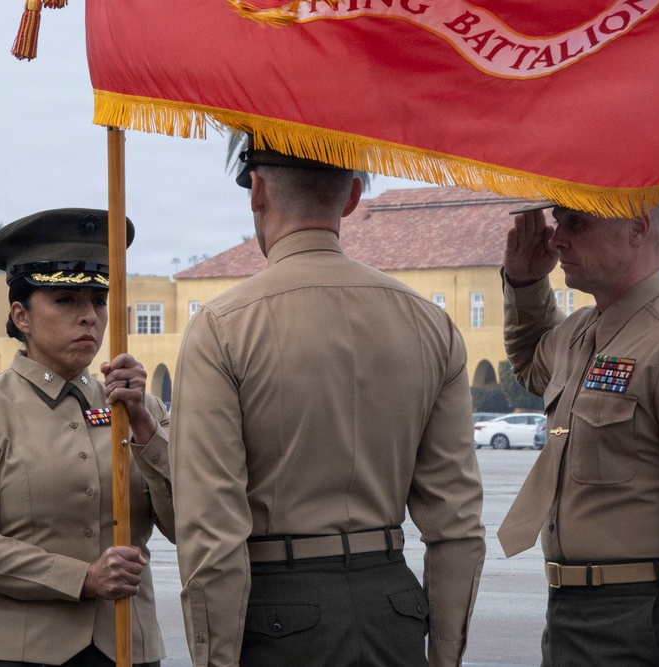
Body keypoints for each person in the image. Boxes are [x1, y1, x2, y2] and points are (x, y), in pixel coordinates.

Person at [168, 143, 486, 667]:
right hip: (394, 609)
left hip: (279, 618)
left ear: (259, 191)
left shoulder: (223, 327)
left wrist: (214, 659)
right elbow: (456, 522)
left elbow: (212, 532)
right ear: (353, 198)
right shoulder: (431, 325)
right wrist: (446, 654)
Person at [496, 201, 659, 666]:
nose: (557, 239)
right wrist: (526, 282)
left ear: (637, 228)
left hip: (644, 620)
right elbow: (531, 362)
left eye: (577, 223)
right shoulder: (580, 335)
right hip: (571, 616)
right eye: (558, 223)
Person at [0, 208, 174, 667]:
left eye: (98, 302)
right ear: (21, 315)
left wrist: (144, 426)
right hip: (17, 653)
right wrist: (81, 578)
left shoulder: (139, 408)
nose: (88, 317)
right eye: (65, 300)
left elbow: (188, 525)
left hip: (126, 648)